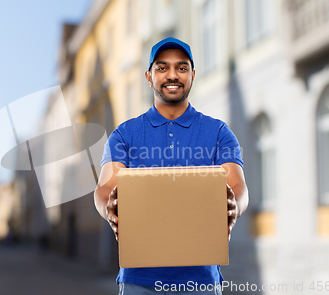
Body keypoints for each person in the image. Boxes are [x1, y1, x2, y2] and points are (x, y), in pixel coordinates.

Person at [94, 37, 249, 295]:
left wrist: (235, 205)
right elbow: (105, 188)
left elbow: (238, 187)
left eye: (182, 67)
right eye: (162, 67)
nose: (172, 75)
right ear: (149, 76)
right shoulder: (124, 135)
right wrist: (108, 207)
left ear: (193, 74)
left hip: (201, 281)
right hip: (138, 281)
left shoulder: (219, 132)